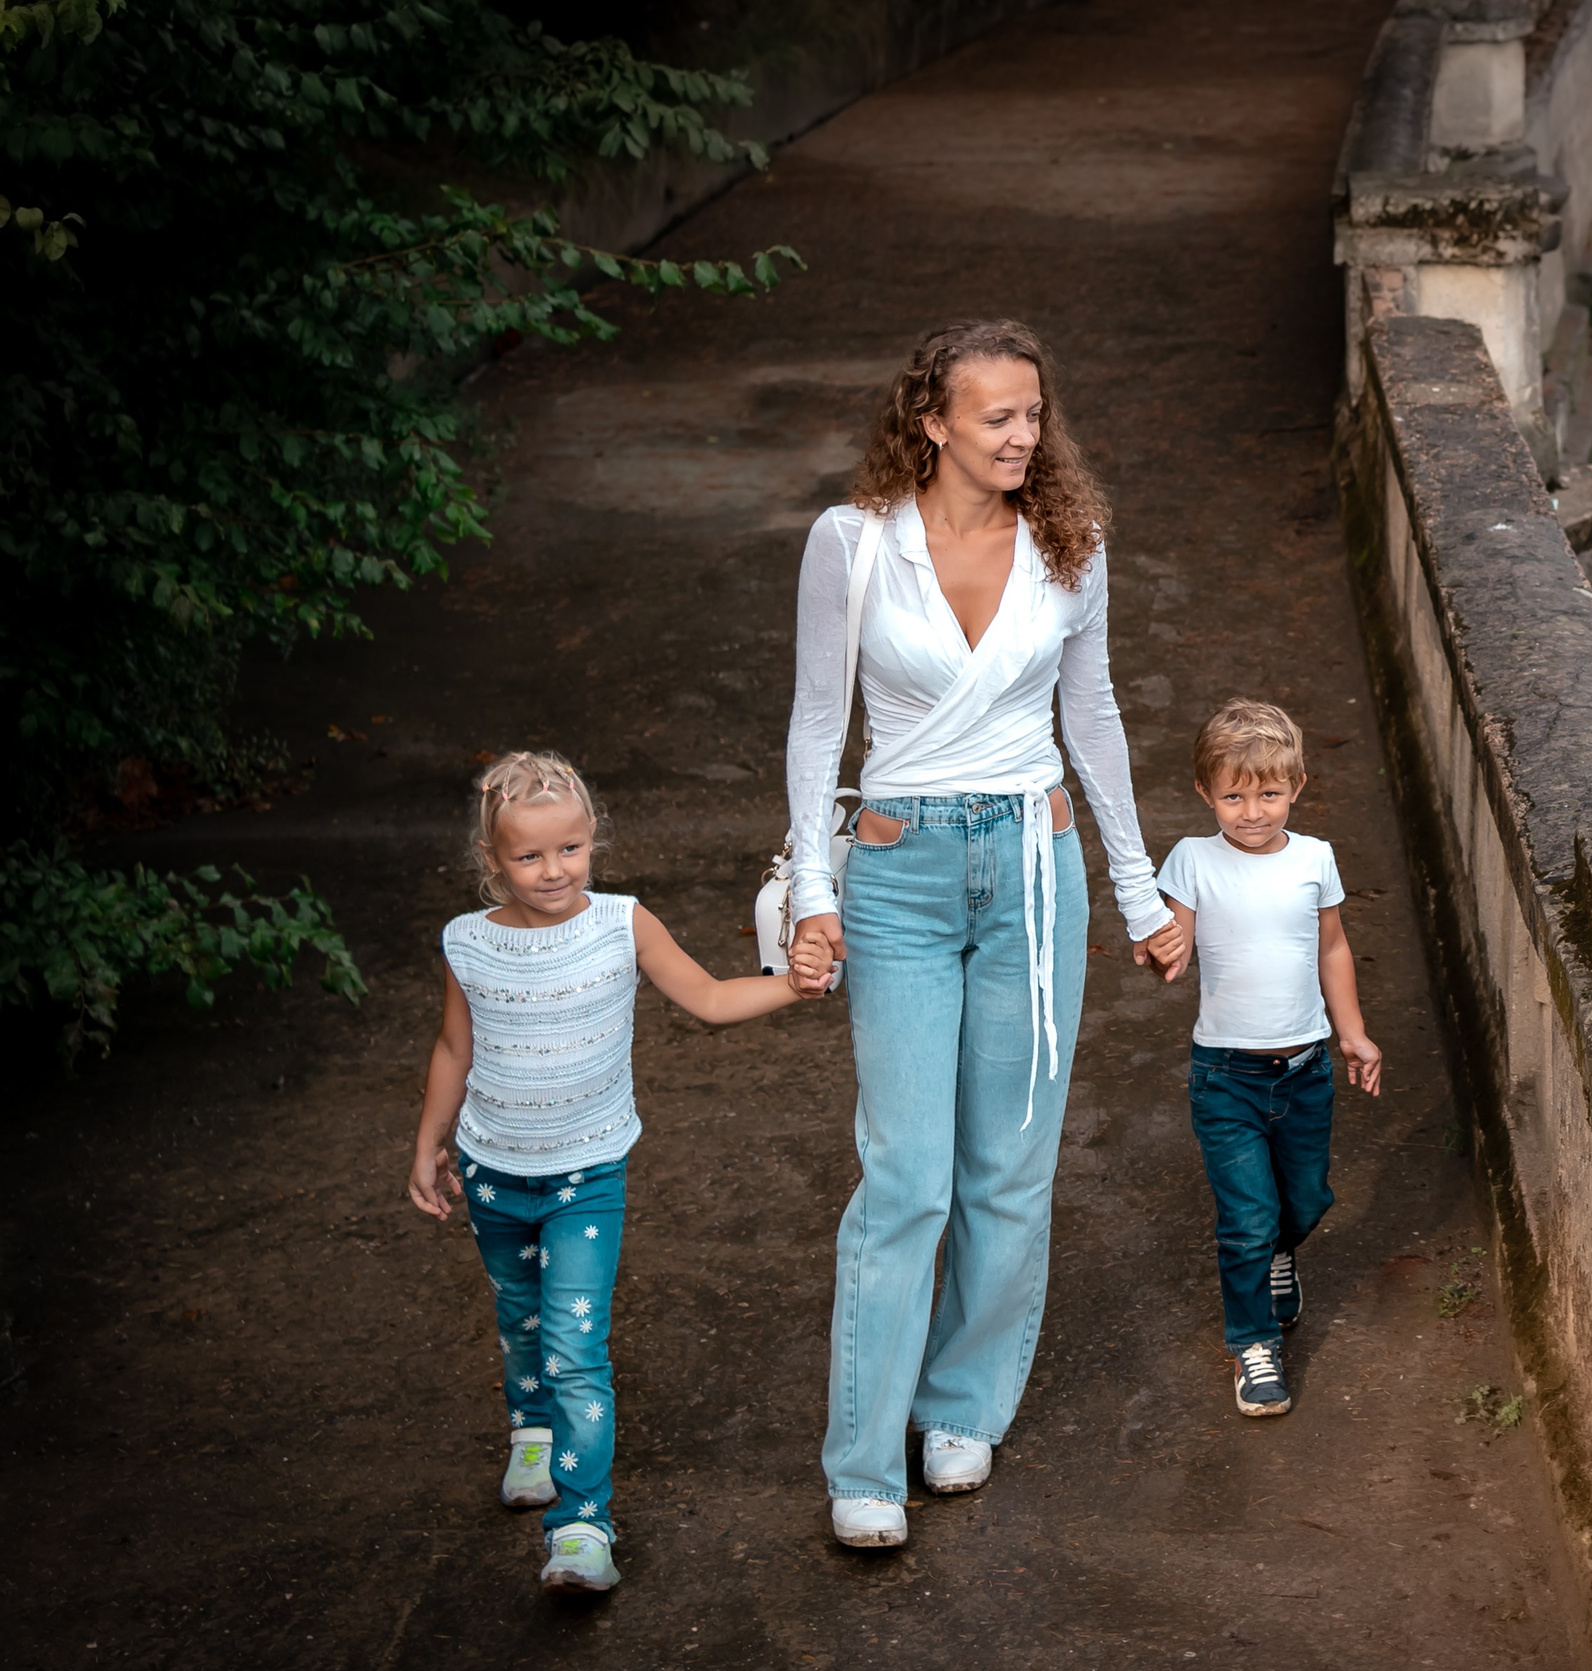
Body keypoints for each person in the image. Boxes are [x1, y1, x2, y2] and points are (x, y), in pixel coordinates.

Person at [781, 320, 1188, 1550]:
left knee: (1008, 1165)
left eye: (1033, 415)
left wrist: (1136, 889)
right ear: (932, 422)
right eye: (997, 415)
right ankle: (863, 1458)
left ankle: (964, 1403)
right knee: (905, 1175)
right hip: (898, 874)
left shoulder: (1071, 545)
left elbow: (1096, 717)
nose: (1022, 436)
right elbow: (813, 726)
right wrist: (812, 889)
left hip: (1033, 865)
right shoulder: (852, 547)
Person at [405, 751, 812, 1595]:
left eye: (571, 850)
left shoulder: (621, 924)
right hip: (492, 1170)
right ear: (493, 861)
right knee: (518, 1317)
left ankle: (583, 1523)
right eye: (529, 856)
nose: (553, 871)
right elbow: (455, 1046)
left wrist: (793, 989)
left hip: (585, 1178)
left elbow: (704, 996)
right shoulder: (468, 944)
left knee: (576, 1348)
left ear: (592, 844)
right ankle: (531, 1430)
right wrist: (428, 1142)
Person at [1153, 700, 1382, 1418]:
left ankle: (1285, 1253)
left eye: (1269, 793)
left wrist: (1354, 1033)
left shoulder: (1315, 859)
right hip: (1227, 1076)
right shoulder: (1193, 860)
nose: (1252, 811)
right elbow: (1174, 942)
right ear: (1205, 793)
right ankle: (1254, 1343)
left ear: (1298, 786)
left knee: (1304, 1199)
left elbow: (1332, 946)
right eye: (1234, 795)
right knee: (1247, 1216)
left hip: (1307, 1067)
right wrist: (1159, 945)